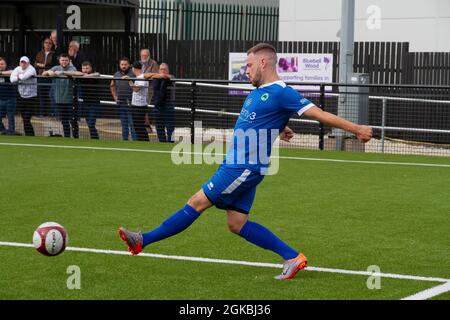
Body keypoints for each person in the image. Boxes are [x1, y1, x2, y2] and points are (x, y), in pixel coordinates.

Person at [118, 43, 373, 280]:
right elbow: (265, 117)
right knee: (236, 224)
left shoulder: (282, 91)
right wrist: (281, 126)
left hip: (242, 168)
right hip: (242, 166)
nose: (245, 70)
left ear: (264, 62)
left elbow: (319, 114)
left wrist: (356, 128)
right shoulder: (259, 93)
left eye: (249, 65)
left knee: (197, 202)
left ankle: (142, 240)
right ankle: (292, 257)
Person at [43, 53, 79, 138]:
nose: (64, 62)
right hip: (59, 99)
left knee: (73, 120)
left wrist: (62, 72)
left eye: (66, 60)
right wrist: (49, 71)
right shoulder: (55, 68)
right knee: (64, 121)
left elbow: (77, 73)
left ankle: (75, 137)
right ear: (59, 61)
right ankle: (67, 137)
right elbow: (43, 73)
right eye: (62, 60)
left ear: (69, 61)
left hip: (70, 100)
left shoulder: (72, 68)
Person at [144, 63, 175, 142]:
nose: (163, 71)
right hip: (158, 106)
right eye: (161, 69)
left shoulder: (171, 77)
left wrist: (157, 75)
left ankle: (171, 143)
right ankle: (162, 143)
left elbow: (165, 76)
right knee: (159, 127)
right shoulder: (156, 78)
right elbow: (144, 75)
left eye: (164, 69)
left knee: (170, 128)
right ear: (158, 70)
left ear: (168, 71)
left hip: (168, 105)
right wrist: (156, 75)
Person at [10, 56, 38, 136]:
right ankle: (28, 135)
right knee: (24, 118)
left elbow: (24, 77)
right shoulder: (18, 68)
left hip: (31, 97)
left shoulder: (31, 69)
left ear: (28, 63)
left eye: (25, 62)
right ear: (19, 63)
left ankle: (31, 135)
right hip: (21, 96)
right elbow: (11, 80)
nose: (23, 64)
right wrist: (19, 76)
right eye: (22, 62)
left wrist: (18, 76)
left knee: (26, 118)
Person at [110, 57, 137, 141]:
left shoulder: (133, 74)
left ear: (129, 65)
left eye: (125, 64)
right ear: (119, 65)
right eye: (122, 64)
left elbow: (138, 87)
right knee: (124, 123)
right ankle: (125, 141)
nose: (124, 66)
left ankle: (135, 142)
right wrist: (115, 97)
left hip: (131, 103)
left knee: (132, 124)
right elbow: (112, 85)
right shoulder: (116, 74)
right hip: (120, 103)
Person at [72, 61, 100, 139]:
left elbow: (97, 74)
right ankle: (94, 138)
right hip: (85, 103)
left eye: (87, 68)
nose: (85, 70)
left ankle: (95, 138)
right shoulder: (81, 76)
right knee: (89, 123)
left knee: (91, 123)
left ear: (91, 68)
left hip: (95, 103)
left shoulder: (95, 75)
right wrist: (83, 74)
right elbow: (73, 73)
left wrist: (86, 75)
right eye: (83, 68)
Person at [125, 61, 149, 142]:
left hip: (140, 106)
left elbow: (136, 89)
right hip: (135, 105)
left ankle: (145, 141)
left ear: (133, 69)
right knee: (136, 125)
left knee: (139, 126)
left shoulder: (141, 77)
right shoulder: (138, 77)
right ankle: (142, 141)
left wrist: (129, 81)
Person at [140, 48, 158, 134]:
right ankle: (146, 125)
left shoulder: (153, 63)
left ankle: (147, 126)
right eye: (143, 55)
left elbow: (155, 75)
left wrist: (144, 77)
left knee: (144, 106)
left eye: (146, 55)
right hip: (139, 88)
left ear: (149, 55)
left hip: (148, 88)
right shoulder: (138, 63)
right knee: (142, 107)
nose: (144, 56)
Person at [35, 38, 54, 116]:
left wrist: (45, 65)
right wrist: (38, 65)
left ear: (51, 45)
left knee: (50, 95)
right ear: (43, 44)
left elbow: (53, 65)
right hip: (40, 77)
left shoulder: (53, 54)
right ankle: (42, 113)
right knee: (41, 95)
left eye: (49, 43)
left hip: (50, 77)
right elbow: (35, 63)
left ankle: (51, 113)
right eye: (46, 43)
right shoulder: (39, 53)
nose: (47, 44)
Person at [0, 57, 16, 135]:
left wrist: (2, 73)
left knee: (10, 117)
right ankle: (3, 130)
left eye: (2, 64)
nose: (1, 66)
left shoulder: (10, 70)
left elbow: (14, 72)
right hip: (1, 99)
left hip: (10, 98)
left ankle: (11, 132)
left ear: (6, 64)